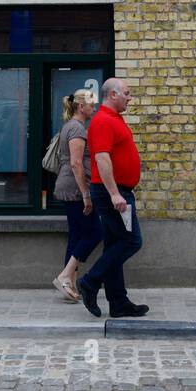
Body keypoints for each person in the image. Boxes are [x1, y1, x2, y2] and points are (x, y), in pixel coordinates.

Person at [77, 77, 149, 319]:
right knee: (131, 241)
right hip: (112, 193)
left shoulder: (115, 119)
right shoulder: (103, 121)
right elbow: (102, 159)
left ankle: (118, 302)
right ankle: (90, 282)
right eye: (127, 93)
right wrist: (116, 193)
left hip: (118, 191)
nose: (130, 97)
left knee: (114, 244)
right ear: (113, 95)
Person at [52, 88, 102, 301]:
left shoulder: (70, 126)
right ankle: (64, 276)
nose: (94, 108)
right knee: (94, 233)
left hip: (69, 187)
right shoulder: (78, 129)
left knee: (77, 235)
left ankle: (69, 283)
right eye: (92, 104)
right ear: (81, 106)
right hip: (74, 189)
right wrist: (86, 194)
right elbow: (75, 163)